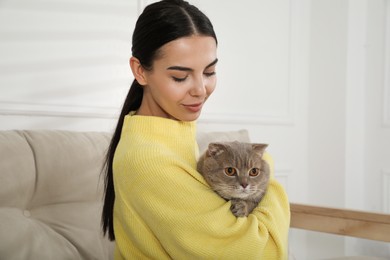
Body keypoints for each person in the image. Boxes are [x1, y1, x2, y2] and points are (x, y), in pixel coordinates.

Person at [101, 0, 290, 259]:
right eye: (180, 77)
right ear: (140, 71)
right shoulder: (150, 161)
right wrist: (267, 168)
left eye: (210, 71)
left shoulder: (171, 132)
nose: (200, 90)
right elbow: (261, 251)